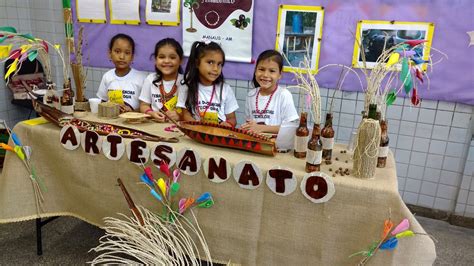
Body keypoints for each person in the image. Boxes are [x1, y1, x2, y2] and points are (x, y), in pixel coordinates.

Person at [177, 41, 238, 127]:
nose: (216, 68)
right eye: (210, 62)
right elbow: (185, 114)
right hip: (195, 133)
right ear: (197, 63)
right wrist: (196, 126)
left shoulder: (225, 89)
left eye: (219, 64)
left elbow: (232, 118)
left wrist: (228, 124)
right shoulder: (187, 86)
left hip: (218, 135)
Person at [241, 50, 299, 134]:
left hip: (276, 144)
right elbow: (250, 124)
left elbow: (291, 128)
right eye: (261, 69)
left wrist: (261, 128)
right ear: (255, 71)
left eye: (272, 71)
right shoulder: (251, 95)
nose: (265, 75)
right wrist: (247, 127)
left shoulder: (284, 95)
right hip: (255, 143)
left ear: (280, 74)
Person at [97, 33, 146, 113]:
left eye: (127, 53)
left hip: (133, 123)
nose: (122, 57)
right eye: (117, 51)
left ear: (132, 57)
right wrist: (111, 105)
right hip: (111, 121)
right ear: (110, 54)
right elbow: (102, 101)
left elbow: (147, 107)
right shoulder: (107, 76)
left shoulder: (141, 78)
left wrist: (132, 111)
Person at [139, 38, 183, 122]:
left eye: (172, 57)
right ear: (155, 60)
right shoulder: (150, 79)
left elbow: (191, 112)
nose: (166, 61)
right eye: (162, 57)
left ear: (180, 60)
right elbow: (143, 105)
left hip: (179, 128)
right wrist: (151, 113)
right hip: (154, 125)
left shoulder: (185, 82)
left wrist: (180, 116)